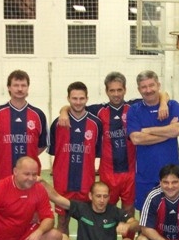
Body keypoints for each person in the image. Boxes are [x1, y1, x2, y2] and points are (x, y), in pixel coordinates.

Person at [56, 71, 170, 218]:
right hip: (107, 174)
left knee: (129, 212)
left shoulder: (133, 107)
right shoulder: (98, 110)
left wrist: (163, 103)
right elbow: (75, 106)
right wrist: (63, 111)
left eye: (119, 90)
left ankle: (128, 234)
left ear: (125, 90)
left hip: (130, 173)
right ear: (106, 91)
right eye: (112, 90)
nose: (116, 94)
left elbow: (163, 94)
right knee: (107, 212)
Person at [126, 70, 179, 211]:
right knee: (146, 216)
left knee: (172, 215)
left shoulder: (172, 106)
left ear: (158, 85)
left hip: (171, 177)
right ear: (139, 89)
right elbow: (136, 138)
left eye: (151, 85)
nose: (148, 90)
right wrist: (169, 132)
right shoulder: (134, 110)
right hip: (145, 176)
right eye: (144, 87)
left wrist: (148, 130)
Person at [48, 81, 103, 236]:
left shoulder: (96, 124)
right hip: (63, 183)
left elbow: (96, 152)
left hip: (86, 183)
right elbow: (54, 151)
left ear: (87, 99)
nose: (78, 102)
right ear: (68, 99)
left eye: (81, 98)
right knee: (62, 221)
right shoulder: (58, 123)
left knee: (87, 224)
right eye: (74, 98)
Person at [0, 70, 48, 181]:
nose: (20, 89)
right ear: (9, 87)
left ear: (28, 88)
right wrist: (4, 153)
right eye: (16, 85)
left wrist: (29, 155)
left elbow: (42, 145)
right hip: (4, 175)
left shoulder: (38, 114)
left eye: (23, 85)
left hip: (30, 178)